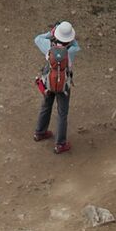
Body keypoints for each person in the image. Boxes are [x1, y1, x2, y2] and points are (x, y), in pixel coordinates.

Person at [33, 20, 79, 152]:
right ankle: (60, 144)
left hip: (48, 82)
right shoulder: (72, 50)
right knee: (62, 113)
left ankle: (40, 132)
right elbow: (76, 44)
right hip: (64, 85)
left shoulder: (48, 46)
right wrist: (71, 39)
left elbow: (37, 39)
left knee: (46, 105)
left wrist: (51, 32)